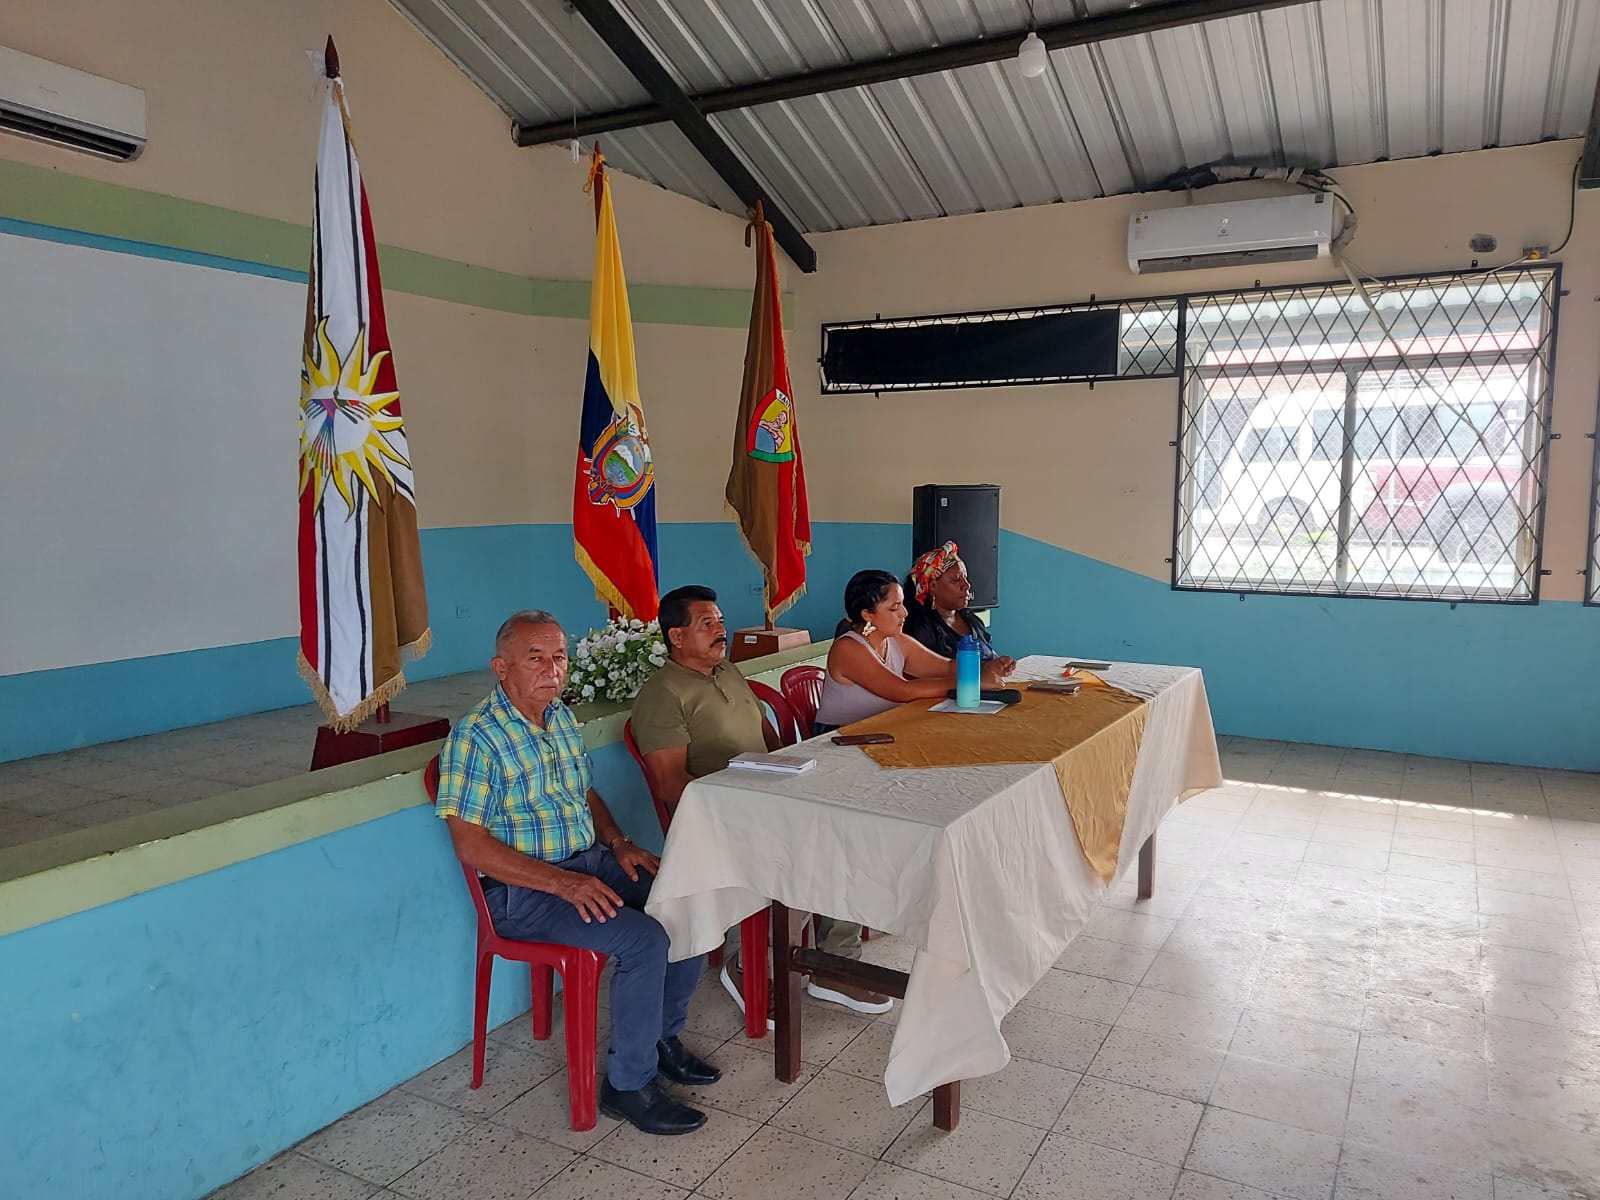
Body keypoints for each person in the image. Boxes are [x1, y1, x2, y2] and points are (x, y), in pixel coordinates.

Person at [435, 609, 719, 1137]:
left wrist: (619, 843)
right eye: (535, 658)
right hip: (524, 891)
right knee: (644, 940)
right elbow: (469, 845)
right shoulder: (477, 738)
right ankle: (628, 1085)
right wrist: (561, 882)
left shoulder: (559, 717)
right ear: (502, 667)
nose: (552, 669)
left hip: (590, 861)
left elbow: (583, 793)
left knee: (686, 896)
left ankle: (659, 1038)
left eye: (560, 657)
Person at [630, 585, 892, 1017]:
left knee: (845, 829)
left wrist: (792, 771)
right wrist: (739, 810)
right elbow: (670, 783)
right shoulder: (663, 694)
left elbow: (767, 738)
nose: (721, 630)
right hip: (721, 816)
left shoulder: (727, 670)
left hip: (769, 797)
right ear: (676, 636)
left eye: (720, 621)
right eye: (707, 624)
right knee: (811, 853)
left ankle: (833, 965)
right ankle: (748, 966)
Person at [814, 569, 1011, 733]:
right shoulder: (848, 648)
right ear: (867, 615)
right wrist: (970, 683)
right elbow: (904, 691)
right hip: (839, 737)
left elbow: (947, 667)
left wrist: (987, 668)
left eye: (903, 605)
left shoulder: (896, 641)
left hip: (880, 728)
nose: (904, 613)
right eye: (894, 608)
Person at [902, 541, 1018, 674]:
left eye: (965, 578)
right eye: (957, 580)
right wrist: (984, 671)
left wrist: (999, 664)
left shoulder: (971, 619)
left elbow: (988, 656)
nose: (967, 585)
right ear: (933, 586)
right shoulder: (922, 630)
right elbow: (929, 676)